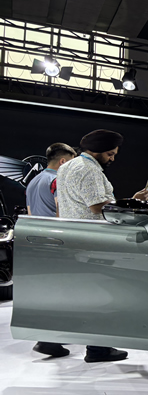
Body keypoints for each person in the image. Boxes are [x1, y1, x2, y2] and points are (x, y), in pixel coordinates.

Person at [57, 129, 148, 363]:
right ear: (97, 150)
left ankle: (50, 339)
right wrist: (132, 202)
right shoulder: (89, 169)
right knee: (100, 295)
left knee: (75, 293)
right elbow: (97, 206)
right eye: (110, 154)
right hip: (93, 241)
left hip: (72, 237)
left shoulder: (67, 167)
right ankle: (98, 349)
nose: (113, 158)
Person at [27, 143, 76, 358]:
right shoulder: (57, 180)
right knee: (63, 291)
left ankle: (50, 336)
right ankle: (48, 340)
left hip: (37, 242)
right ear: (63, 162)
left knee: (49, 292)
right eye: (72, 162)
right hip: (56, 242)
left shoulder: (34, 181)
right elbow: (60, 212)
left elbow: (30, 212)